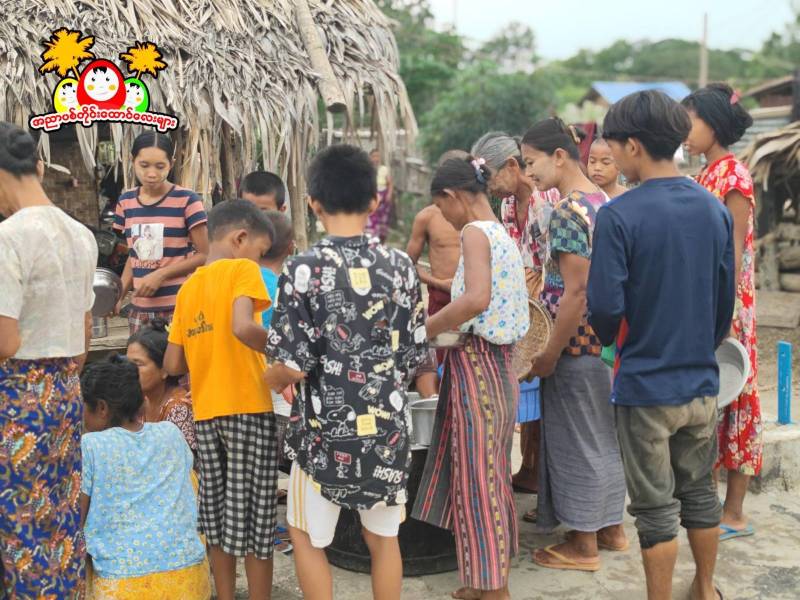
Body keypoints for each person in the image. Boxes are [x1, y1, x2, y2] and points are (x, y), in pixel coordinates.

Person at [588, 90, 735, 600]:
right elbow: (724, 303)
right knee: (699, 494)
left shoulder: (619, 215)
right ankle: (706, 590)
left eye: (613, 148)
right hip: (701, 382)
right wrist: (700, 348)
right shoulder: (713, 208)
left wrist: (611, 341)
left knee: (654, 511)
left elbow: (604, 307)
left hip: (645, 385)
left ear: (632, 146)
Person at [264, 144, 427, 600]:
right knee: (384, 540)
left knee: (305, 536)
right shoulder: (401, 266)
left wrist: (269, 380)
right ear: (374, 201)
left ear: (313, 202)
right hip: (387, 432)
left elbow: (290, 365)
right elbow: (412, 354)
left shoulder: (301, 269)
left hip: (322, 436)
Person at [413, 156, 528, 600]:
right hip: (497, 367)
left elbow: (476, 299)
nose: (445, 218)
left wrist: (426, 328)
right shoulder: (500, 232)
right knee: (487, 475)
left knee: (480, 481)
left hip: (478, 367)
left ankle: (495, 590)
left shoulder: (475, 232)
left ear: (452, 196)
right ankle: (485, 581)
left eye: (442, 208)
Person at [522, 117, 628, 572]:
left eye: (531, 162)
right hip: (604, 343)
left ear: (560, 156)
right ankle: (611, 530)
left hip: (575, 344)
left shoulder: (567, 210)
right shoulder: (603, 201)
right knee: (602, 435)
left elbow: (576, 292)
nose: (528, 173)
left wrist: (549, 354)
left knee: (575, 440)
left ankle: (584, 545)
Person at [0, 122, 96, 599]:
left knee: (20, 528)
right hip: (63, 391)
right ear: (38, 167)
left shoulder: (9, 237)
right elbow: (82, 341)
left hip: (16, 397)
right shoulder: (80, 234)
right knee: (59, 525)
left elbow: (5, 340)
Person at [164, 199, 277, 600]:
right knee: (258, 521)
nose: (259, 261)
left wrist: (204, 349)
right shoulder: (243, 270)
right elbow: (243, 327)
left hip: (207, 413)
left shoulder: (188, 287)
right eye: (260, 252)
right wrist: (288, 348)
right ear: (240, 239)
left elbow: (172, 362)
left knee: (217, 518)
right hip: (249, 408)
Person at [683, 84, 761, 544]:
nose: (684, 131)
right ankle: (708, 504)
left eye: (690, 121)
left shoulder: (734, 176)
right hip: (706, 300)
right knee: (712, 401)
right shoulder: (704, 174)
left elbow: (731, 253)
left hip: (728, 304)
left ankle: (734, 511)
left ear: (713, 123)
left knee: (736, 398)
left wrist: (722, 312)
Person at [470, 132, 561, 500]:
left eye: (490, 176)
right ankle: (529, 468)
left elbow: (554, 267)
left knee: (545, 392)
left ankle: (540, 473)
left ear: (512, 166)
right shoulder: (507, 205)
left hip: (548, 308)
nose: (489, 187)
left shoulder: (547, 201)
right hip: (522, 308)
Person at [80, 356, 211, 599]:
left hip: (123, 585)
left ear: (102, 407)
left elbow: (77, 519)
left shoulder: (90, 446)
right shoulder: (171, 433)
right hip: (189, 578)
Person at [113, 132, 209, 333]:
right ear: (133, 161)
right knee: (140, 355)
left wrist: (161, 274)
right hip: (140, 309)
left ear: (171, 164)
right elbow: (134, 255)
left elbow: (204, 255)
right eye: (144, 165)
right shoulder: (126, 202)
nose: (151, 174)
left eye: (160, 166)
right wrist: (118, 295)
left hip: (180, 307)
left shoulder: (187, 200)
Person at [127, 319, 197, 454]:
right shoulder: (141, 402)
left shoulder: (179, 409)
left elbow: (179, 461)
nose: (128, 370)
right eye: (127, 363)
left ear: (164, 370)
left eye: (138, 364)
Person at [366, 148, 394, 242]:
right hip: (372, 197)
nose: (376, 158)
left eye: (377, 156)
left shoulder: (384, 169)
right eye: (373, 156)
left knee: (383, 220)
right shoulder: (367, 170)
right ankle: (372, 241)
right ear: (370, 158)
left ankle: (382, 242)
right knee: (372, 218)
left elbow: (390, 183)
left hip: (383, 197)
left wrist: (389, 194)